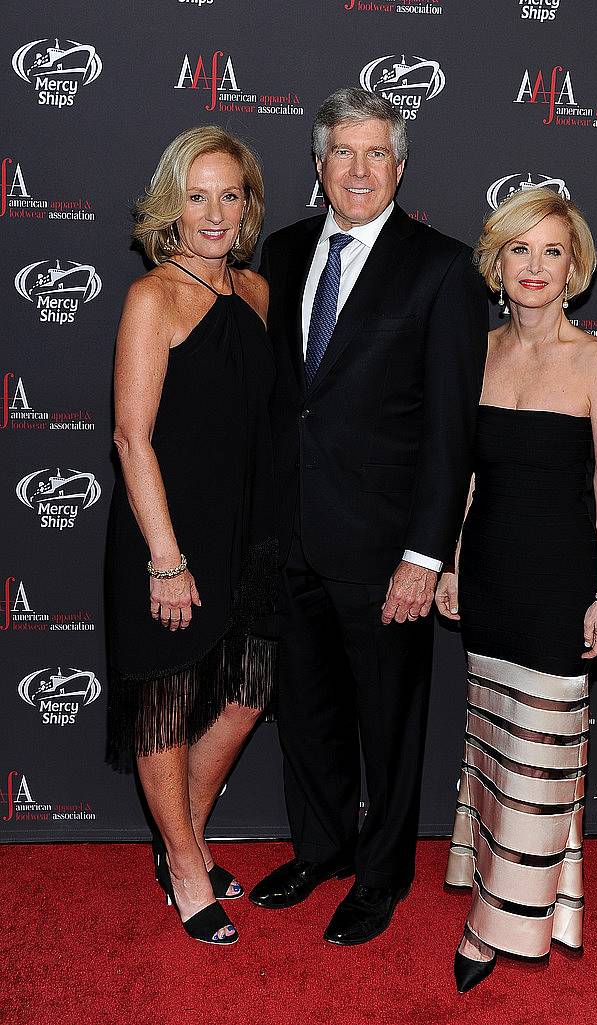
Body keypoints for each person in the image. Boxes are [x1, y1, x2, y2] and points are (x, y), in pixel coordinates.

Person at [248, 87, 488, 945]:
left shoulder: (441, 267)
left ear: (400, 164)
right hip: (291, 538)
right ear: (317, 167)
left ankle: (381, 876)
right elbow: (282, 403)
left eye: (375, 153)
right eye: (341, 153)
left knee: (387, 721)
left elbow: (450, 428)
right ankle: (321, 849)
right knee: (304, 711)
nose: (357, 169)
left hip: (387, 546)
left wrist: (425, 554)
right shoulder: (278, 252)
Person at [436, 187, 597, 992]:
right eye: (520, 248)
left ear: (573, 268)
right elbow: (465, 479)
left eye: (550, 251)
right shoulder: (476, 353)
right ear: (497, 260)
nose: (533, 266)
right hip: (489, 579)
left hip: (560, 590)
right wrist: (449, 562)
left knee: (540, 760)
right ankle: (522, 897)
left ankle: (491, 925)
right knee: (495, 754)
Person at [105, 126, 277, 946]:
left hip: (246, 532)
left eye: (229, 194)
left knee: (246, 693)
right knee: (165, 708)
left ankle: (187, 834)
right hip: (165, 533)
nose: (214, 213)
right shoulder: (153, 299)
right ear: (170, 206)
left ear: (247, 207)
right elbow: (132, 438)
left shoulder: (256, 294)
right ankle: (182, 863)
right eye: (196, 195)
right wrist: (165, 562)